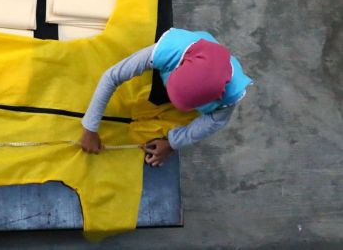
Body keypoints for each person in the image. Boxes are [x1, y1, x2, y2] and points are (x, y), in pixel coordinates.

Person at [80, 28, 252, 166]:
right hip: (170, 64)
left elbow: (211, 123)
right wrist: (90, 128)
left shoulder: (228, 98)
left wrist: (171, 143)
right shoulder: (170, 49)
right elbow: (112, 76)